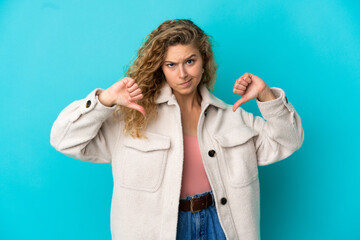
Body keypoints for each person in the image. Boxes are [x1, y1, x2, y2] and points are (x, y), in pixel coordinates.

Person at [50, 19, 304, 240]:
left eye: (190, 61)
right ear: (161, 68)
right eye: (171, 65)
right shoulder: (131, 119)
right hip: (160, 230)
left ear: (204, 61)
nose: (182, 73)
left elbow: (288, 141)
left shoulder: (232, 117)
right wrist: (103, 100)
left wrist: (267, 96)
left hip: (222, 225)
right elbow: (64, 139)